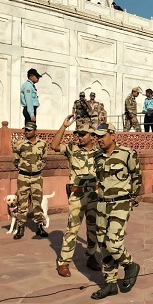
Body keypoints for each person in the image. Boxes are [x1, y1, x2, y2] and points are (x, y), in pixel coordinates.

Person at [90, 123, 142, 300]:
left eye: (102, 136)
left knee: (113, 244)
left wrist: (133, 196)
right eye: (97, 136)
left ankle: (130, 264)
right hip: (102, 204)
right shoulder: (97, 156)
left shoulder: (127, 154)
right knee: (103, 245)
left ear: (113, 135)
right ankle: (110, 283)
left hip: (120, 203)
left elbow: (136, 175)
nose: (99, 139)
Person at [51, 117, 101, 277]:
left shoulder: (99, 153)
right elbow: (54, 146)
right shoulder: (72, 149)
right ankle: (64, 262)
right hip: (77, 194)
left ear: (92, 136)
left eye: (83, 134)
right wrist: (63, 126)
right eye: (78, 134)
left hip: (94, 194)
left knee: (93, 229)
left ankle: (91, 256)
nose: (79, 136)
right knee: (72, 229)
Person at [12, 122, 48, 239]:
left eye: (29, 130)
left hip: (37, 177)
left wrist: (36, 169)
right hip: (23, 177)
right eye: (25, 130)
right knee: (22, 203)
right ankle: (20, 227)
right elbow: (15, 160)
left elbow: (44, 159)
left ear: (35, 131)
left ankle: (39, 226)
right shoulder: (19, 144)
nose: (26, 132)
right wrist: (24, 169)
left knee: (37, 202)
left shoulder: (42, 144)